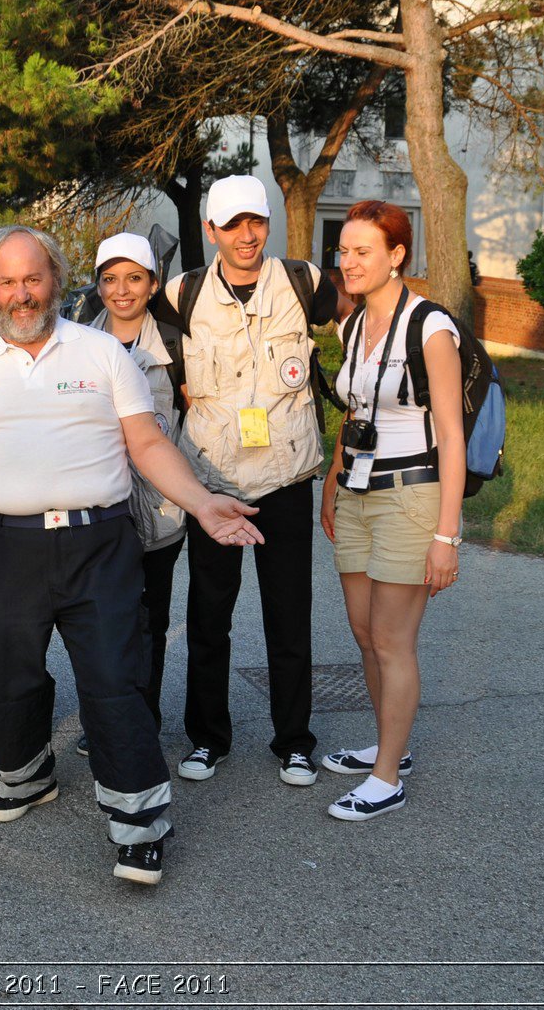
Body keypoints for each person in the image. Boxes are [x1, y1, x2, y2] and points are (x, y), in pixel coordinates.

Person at [0, 225, 264, 886]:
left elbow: (147, 444)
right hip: (3, 545)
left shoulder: (101, 353)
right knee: (1, 681)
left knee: (116, 682)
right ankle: (28, 776)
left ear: (58, 281)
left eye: (34, 278)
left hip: (99, 543)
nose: (22, 292)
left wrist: (203, 502)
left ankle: (139, 824)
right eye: (7, 281)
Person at [160, 174, 340, 789]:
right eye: (232, 224)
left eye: (255, 222)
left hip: (286, 476)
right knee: (209, 616)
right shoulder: (179, 294)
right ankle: (208, 739)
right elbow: (137, 339)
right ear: (211, 230)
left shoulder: (304, 283)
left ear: (268, 225)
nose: (246, 235)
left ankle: (294, 741)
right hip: (213, 482)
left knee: (288, 616)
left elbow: (363, 311)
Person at [320, 199, 464, 821]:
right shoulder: (352, 324)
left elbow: (453, 435)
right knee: (361, 631)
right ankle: (388, 746)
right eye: (343, 250)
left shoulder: (430, 327)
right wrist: (330, 483)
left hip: (412, 494)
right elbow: (353, 412)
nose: (348, 263)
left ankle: (386, 778)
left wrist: (446, 536)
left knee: (391, 639)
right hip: (355, 491)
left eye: (363, 252)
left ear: (397, 255)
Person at [80, 232, 186, 755]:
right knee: (101, 621)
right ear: (99, 285)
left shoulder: (175, 343)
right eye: (110, 279)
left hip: (158, 511)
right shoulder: (77, 343)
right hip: (97, 508)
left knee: (151, 620)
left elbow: (193, 414)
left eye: (134, 279)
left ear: (153, 283)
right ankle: (105, 716)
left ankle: (143, 716)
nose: (122, 290)